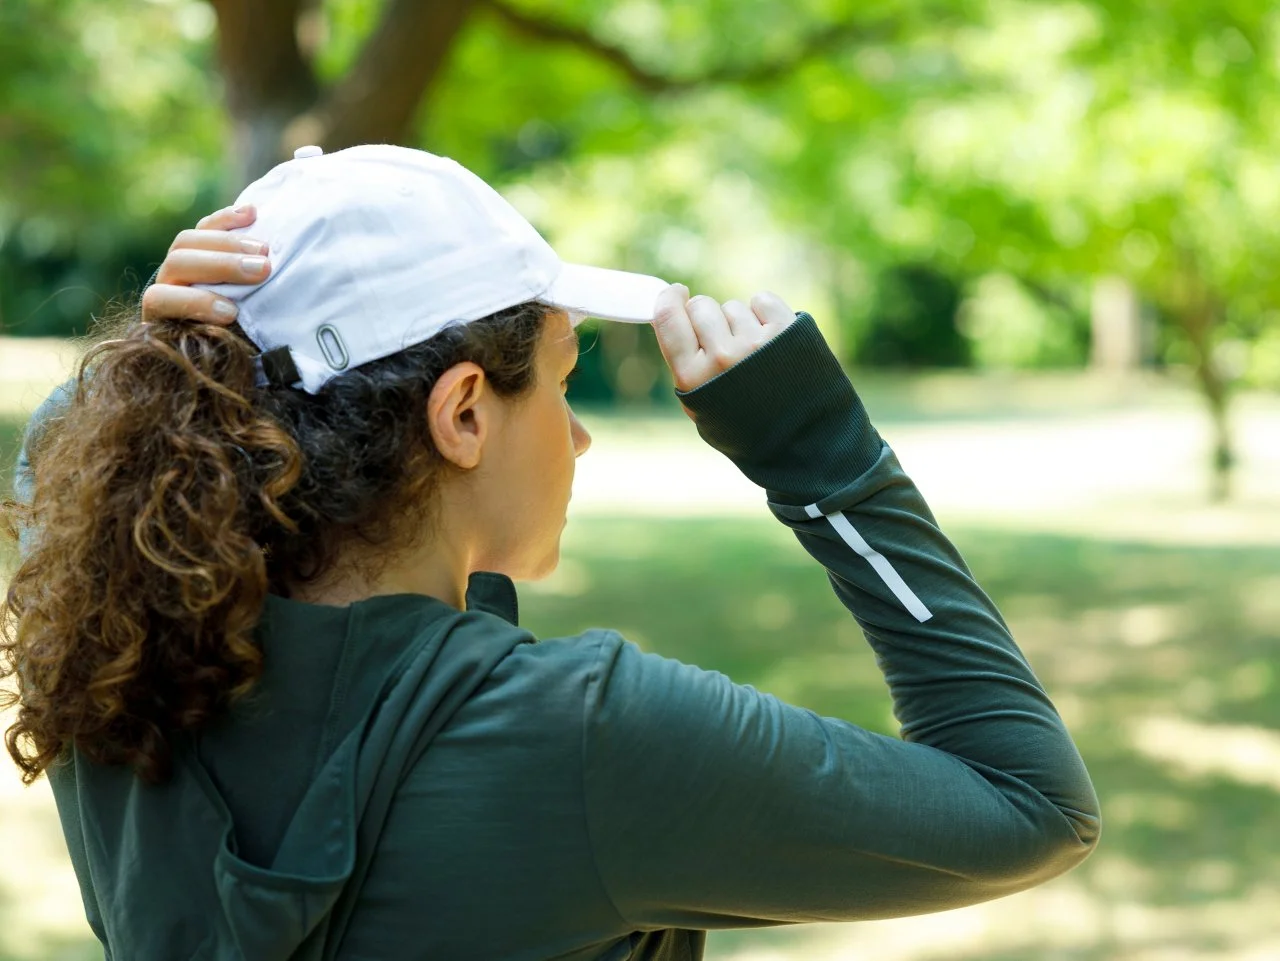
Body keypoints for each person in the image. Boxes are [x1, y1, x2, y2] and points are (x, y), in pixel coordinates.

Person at [3, 144, 1099, 961]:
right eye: (565, 380)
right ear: (464, 413)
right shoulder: (582, 735)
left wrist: (164, 350)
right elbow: (1031, 807)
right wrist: (825, 463)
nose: (576, 436)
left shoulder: (115, 648)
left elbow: (57, 462)